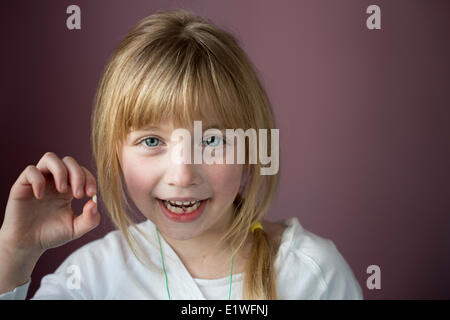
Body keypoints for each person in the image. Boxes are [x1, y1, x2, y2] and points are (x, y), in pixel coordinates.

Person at [0, 9, 362, 300]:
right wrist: (14, 257)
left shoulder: (313, 274)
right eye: (152, 141)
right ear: (116, 154)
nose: (183, 175)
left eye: (211, 140)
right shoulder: (90, 279)